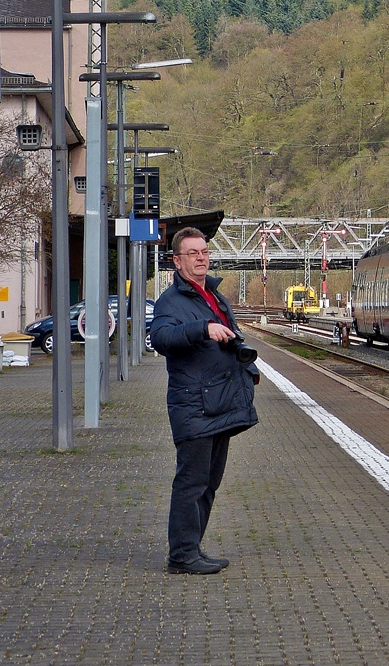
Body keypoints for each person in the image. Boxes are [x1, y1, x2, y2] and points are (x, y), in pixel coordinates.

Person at [150, 227, 259, 575]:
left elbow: (228, 336)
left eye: (205, 251)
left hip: (218, 403)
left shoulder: (211, 295)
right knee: (191, 482)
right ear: (177, 261)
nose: (201, 257)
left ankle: (192, 547)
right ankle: (181, 555)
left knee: (209, 483)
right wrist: (202, 329)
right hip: (194, 405)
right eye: (193, 253)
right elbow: (161, 337)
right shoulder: (172, 302)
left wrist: (248, 367)